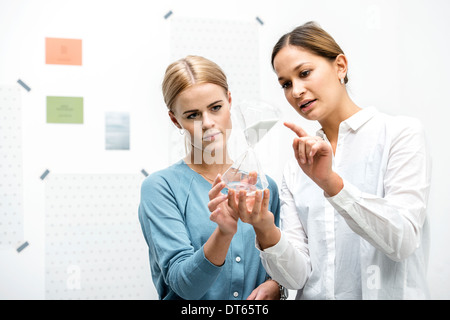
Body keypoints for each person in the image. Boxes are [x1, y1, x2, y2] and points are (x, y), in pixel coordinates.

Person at [233, 21, 431, 299]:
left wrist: (331, 183)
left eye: (304, 73)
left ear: (340, 66)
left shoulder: (400, 134)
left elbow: (403, 241)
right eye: (286, 84)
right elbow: (297, 276)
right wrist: (265, 228)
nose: (296, 91)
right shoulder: (296, 166)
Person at [138, 55, 282, 300]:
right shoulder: (161, 188)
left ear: (229, 100)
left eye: (216, 108)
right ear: (175, 119)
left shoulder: (263, 186)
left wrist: (277, 285)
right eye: (192, 115)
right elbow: (185, 286)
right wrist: (223, 233)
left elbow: (281, 262)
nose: (207, 123)